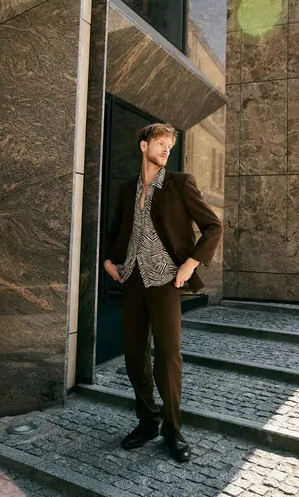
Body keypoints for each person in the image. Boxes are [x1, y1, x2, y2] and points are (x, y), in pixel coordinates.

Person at [104, 123, 222, 463]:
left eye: (169, 145)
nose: (166, 149)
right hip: (133, 280)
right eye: (160, 143)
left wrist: (189, 265)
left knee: (168, 356)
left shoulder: (180, 183)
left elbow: (213, 227)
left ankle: (173, 430)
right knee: (134, 355)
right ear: (144, 146)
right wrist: (110, 262)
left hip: (167, 282)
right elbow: (117, 229)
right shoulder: (128, 189)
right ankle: (147, 421)